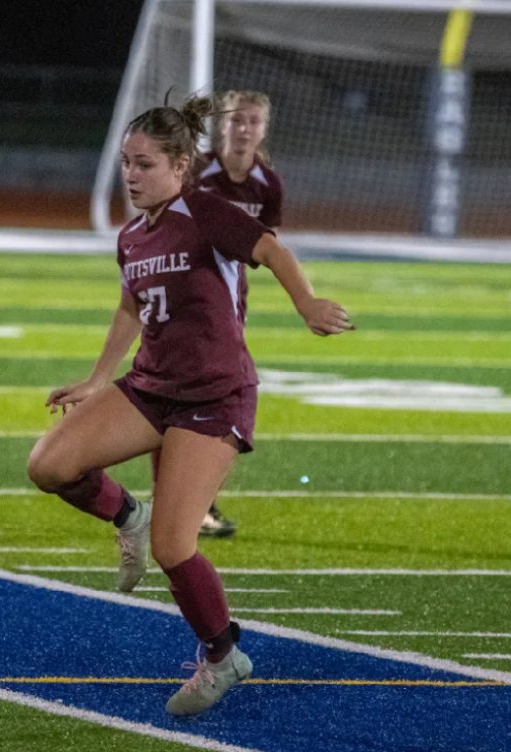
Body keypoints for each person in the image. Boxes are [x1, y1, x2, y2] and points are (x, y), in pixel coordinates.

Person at [26, 95, 353, 716]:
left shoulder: (207, 212)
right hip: (151, 387)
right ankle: (128, 518)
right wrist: (99, 379)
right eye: (126, 162)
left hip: (214, 396)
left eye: (144, 164)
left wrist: (308, 305)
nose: (130, 174)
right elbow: (131, 305)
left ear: (180, 166)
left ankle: (222, 655)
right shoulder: (131, 236)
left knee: (178, 548)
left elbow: (272, 251)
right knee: (48, 466)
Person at [176, 89, 285, 539]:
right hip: (181, 289)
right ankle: (187, 501)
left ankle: (197, 502)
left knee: (215, 396)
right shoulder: (199, 170)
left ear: (264, 128)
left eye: (253, 122)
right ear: (223, 126)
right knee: (173, 388)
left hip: (227, 299)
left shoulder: (268, 184)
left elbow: (266, 246)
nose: (244, 129)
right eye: (237, 120)